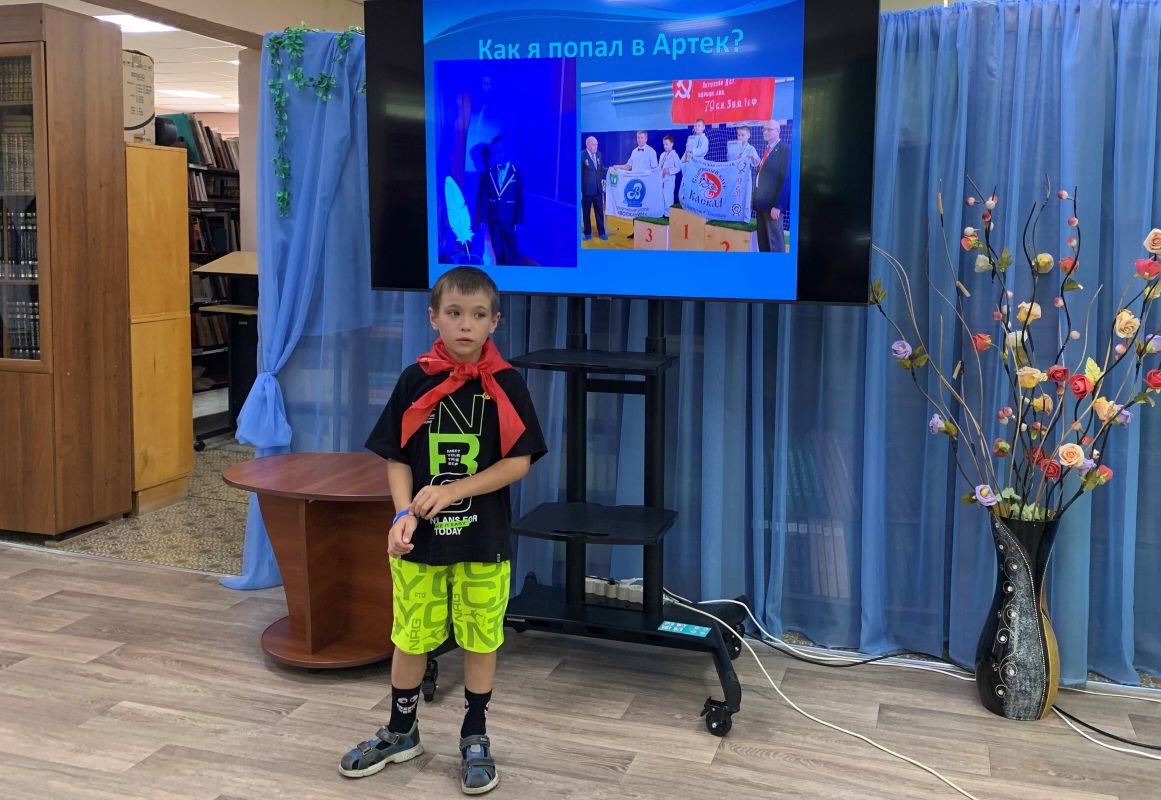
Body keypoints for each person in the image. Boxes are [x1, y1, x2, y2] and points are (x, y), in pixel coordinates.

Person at [343, 266, 547, 796]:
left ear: (494, 322)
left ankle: (475, 734)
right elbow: (396, 456)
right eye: (454, 313)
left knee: (481, 638)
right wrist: (401, 514)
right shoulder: (414, 380)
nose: (465, 324)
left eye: (478, 315)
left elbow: (519, 461)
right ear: (434, 317)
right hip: (420, 545)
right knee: (410, 636)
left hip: (483, 542)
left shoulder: (507, 384)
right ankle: (401, 730)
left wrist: (453, 492)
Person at [476, 136, 523, 265]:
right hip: (494, 220)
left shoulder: (516, 172)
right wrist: (483, 219)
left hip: (510, 220)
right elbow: (484, 197)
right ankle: (502, 272)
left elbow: (519, 198)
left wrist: (518, 221)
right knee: (498, 251)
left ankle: (515, 272)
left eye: (502, 151)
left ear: (508, 151)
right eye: (496, 151)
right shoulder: (489, 173)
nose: (499, 155)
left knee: (513, 252)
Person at [754, 120, 790, 253]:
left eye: (769, 129)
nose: (765, 132)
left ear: (778, 131)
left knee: (775, 245)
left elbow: (786, 180)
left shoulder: (785, 150)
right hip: (761, 205)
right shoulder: (767, 150)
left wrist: (778, 206)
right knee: (763, 244)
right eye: (764, 129)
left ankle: (778, 266)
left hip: (772, 207)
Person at [580, 135, 608, 240]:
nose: (596, 146)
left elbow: (601, 168)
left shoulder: (599, 154)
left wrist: (610, 170)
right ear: (588, 145)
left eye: (597, 144)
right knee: (586, 212)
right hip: (586, 191)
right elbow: (579, 174)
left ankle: (602, 232)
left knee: (599, 212)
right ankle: (587, 233)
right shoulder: (581, 156)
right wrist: (579, 190)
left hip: (598, 190)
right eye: (594, 144)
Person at [658, 134, 682, 217]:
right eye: (664, 144)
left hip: (669, 180)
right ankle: (662, 213)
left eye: (667, 144)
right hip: (661, 179)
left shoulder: (674, 155)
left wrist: (668, 170)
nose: (665, 146)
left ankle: (668, 215)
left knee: (668, 197)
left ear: (672, 144)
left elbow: (678, 167)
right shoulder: (662, 155)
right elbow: (659, 166)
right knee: (661, 197)